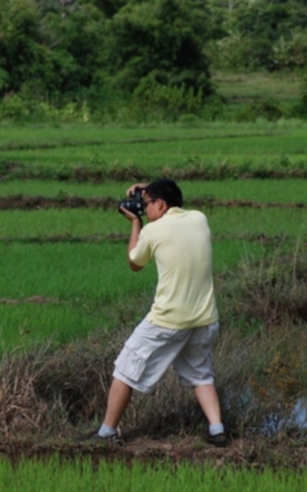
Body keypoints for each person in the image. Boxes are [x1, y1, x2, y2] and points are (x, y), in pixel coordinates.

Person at [93, 178, 226, 446]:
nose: (143, 208)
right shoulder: (200, 219)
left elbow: (134, 262)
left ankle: (106, 432)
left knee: (125, 369)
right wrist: (148, 187)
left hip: (168, 320)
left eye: (146, 203)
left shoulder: (153, 231)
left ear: (161, 204)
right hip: (204, 319)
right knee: (200, 373)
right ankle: (217, 429)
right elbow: (170, 198)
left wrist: (135, 223)